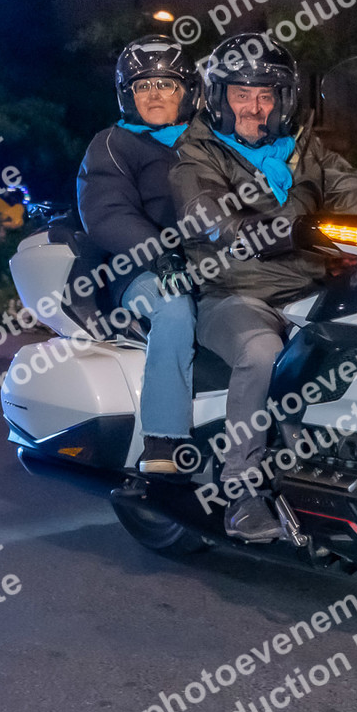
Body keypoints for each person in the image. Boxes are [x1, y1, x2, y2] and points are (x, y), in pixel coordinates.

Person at [171, 35, 357, 541]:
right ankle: (240, 491)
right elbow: (205, 213)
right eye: (242, 95)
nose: (255, 107)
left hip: (311, 292)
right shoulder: (196, 153)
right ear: (219, 98)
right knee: (261, 352)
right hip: (234, 293)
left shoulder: (302, 150)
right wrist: (250, 229)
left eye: (266, 95)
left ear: (284, 100)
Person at [78, 35, 200, 473]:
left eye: (166, 84)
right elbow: (107, 212)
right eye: (143, 86)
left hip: (208, 262)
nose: (154, 94)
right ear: (127, 95)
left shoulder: (209, 142)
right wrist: (161, 254)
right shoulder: (113, 144)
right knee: (174, 308)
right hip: (140, 268)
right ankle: (163, 440)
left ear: (187, 91)